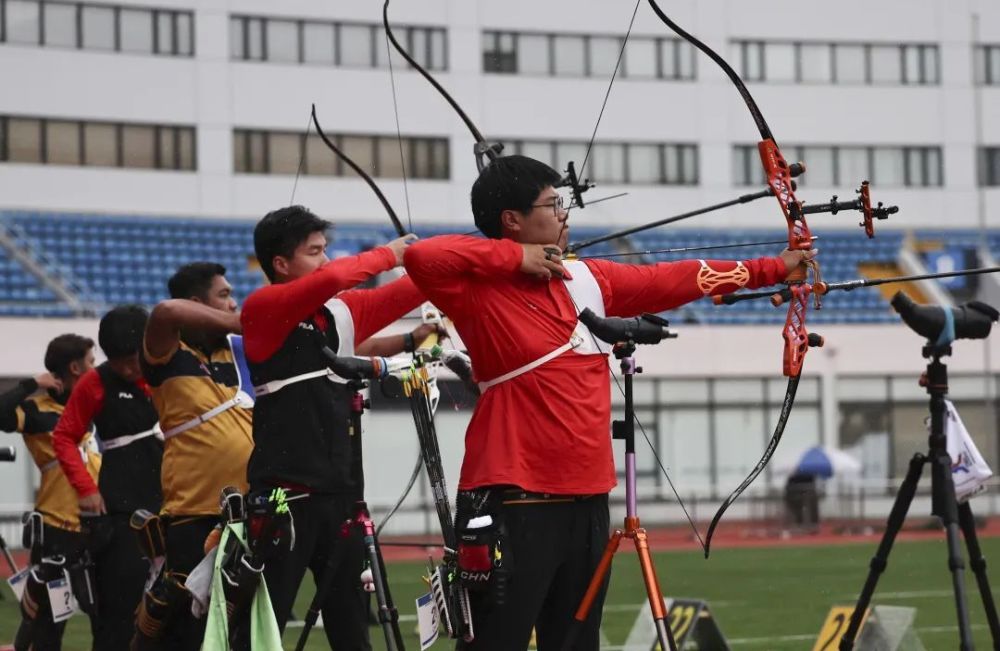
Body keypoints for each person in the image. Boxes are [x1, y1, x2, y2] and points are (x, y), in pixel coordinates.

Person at [403, 155, 817, 650]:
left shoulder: (585, 279)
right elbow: (421, 257)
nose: (564, 213)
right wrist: (518, 258)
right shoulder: (478, 287)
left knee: (577, 642)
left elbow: (671, 279)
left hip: (588, 501)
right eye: (552, 203)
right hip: (513, 498)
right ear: (511, 220)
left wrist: (772, 267)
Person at [237, 205, 424, 649]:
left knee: (351, 629)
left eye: (326, 250)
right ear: (280, 264)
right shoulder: (262, 308)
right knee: (262, 628)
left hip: (340, 495)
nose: (325, 260)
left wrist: (442, 259)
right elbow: (333, 278)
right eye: (314, 251)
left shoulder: (336, 314)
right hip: (285, 497)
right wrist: (390, 255)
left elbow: (411, 292)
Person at [131, 262, 250, 650]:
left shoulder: (234, 353)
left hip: (247, 513)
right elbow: (166, 312)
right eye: (224, 296)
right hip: (195, 514)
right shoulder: (166, 352)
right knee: (185, 630)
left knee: (240, 627)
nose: (234, 304)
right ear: (198, 303)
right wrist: (235, 322)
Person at [53, 305, 163, 651]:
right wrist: (85, 488)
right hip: (121, 510)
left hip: (177, 502)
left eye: (133, 359)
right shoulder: (95, 382)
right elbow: (64, 436)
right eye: (118, 362)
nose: (128, 369)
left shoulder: (171, 372)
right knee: (118, 610)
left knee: (178, 607)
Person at [0, 334, 99, 650]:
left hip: (97, 524)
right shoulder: (36, 410)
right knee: (47, 622)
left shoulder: (92, 405)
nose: (95, 369)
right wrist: (31, 383)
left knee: (103, 611)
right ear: (74, 367)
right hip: (58, 530)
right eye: (90, 363)